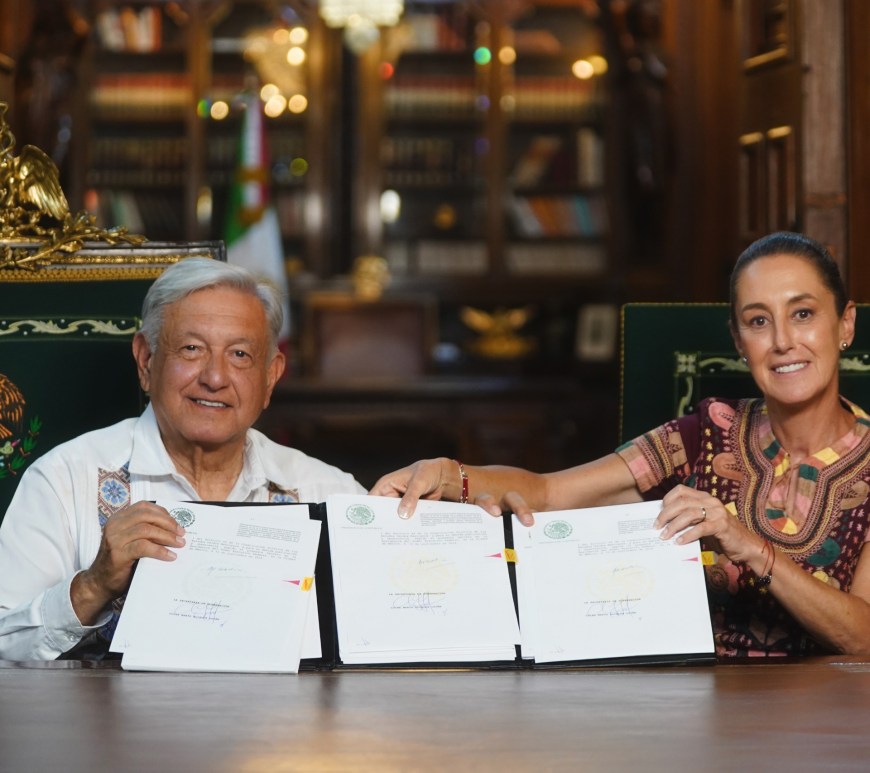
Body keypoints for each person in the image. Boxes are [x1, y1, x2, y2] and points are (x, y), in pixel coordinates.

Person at [371, 231, 870, 657]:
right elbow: (549, 493)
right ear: (739, 341)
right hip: (699, 708)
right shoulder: (708, 431)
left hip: (828, 719)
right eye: (759, 321)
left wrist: (750, 547)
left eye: (803, 314)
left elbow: (864, 637)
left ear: (845, 323)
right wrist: (448, 475)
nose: (782, 341)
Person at [0, 257, 364, 660]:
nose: (214, 378)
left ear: (270, 376)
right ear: (146, 360)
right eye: (192, 349)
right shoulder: (65, 481)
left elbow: (388, 631)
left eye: (240, 354)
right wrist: (93, 585)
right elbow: (3, 645)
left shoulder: (328, 493)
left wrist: (423, 516)